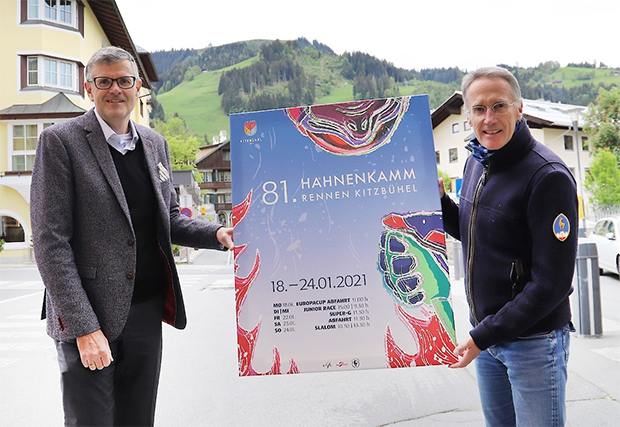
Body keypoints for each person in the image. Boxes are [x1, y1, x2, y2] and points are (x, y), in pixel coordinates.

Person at [30, 46, 234, 426]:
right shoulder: (60, 142)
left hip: (145, 311)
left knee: (138, 419)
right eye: (104, 81)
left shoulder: (155, 144)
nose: (115, 90)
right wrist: (84, 328)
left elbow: (168, 220)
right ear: (88, 88)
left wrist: (219, 232)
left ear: (137, 87)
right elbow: (49, 242)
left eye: (124, 81)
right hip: (89, 315)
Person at [439, 66, 578, 426]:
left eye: (499, 106)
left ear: (519, 109)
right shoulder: (476, 161)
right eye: (479, 109)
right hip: (488, 338)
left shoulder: (548, 176)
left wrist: (484, 335)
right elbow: (473, 234)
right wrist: (439, 203)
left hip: (533, 342)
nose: (489, 119)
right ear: (467, 115)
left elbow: (552, 283)